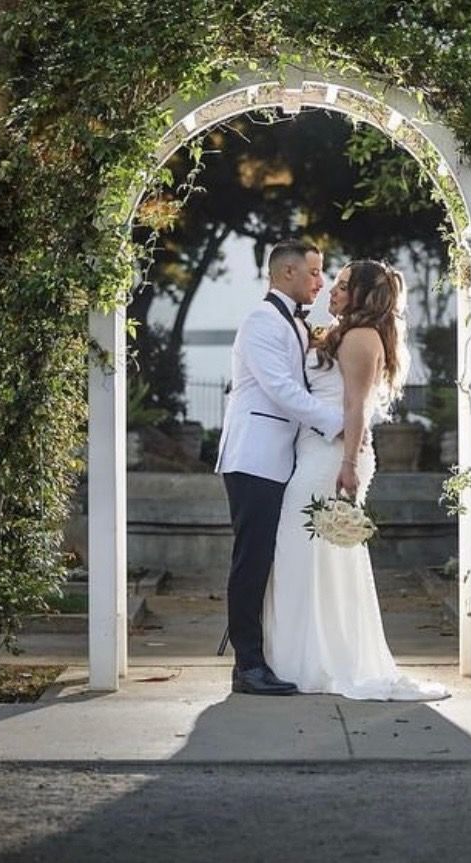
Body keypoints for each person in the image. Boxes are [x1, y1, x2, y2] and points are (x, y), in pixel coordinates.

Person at [263, 260, 451, 701]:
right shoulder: (343, 332)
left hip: (333, 459)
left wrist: (347, 464)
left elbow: (357, 407)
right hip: (317, 452)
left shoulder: (363, 338)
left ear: (364, 296)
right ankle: (301, 657)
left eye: (344, 286)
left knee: (312, 554)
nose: (332, 289)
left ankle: (324, 662)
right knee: (304, 556)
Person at [215, 240, 344, 695]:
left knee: (265, 558)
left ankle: (260, 656)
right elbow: (281, 389)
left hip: (278, 459)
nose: (320, 282)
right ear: (287, 272)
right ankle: (247, 666)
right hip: (253, 457)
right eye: (313, 273)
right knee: (251, 560)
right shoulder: (260, 321)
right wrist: (338, 423)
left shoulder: (293, 321)